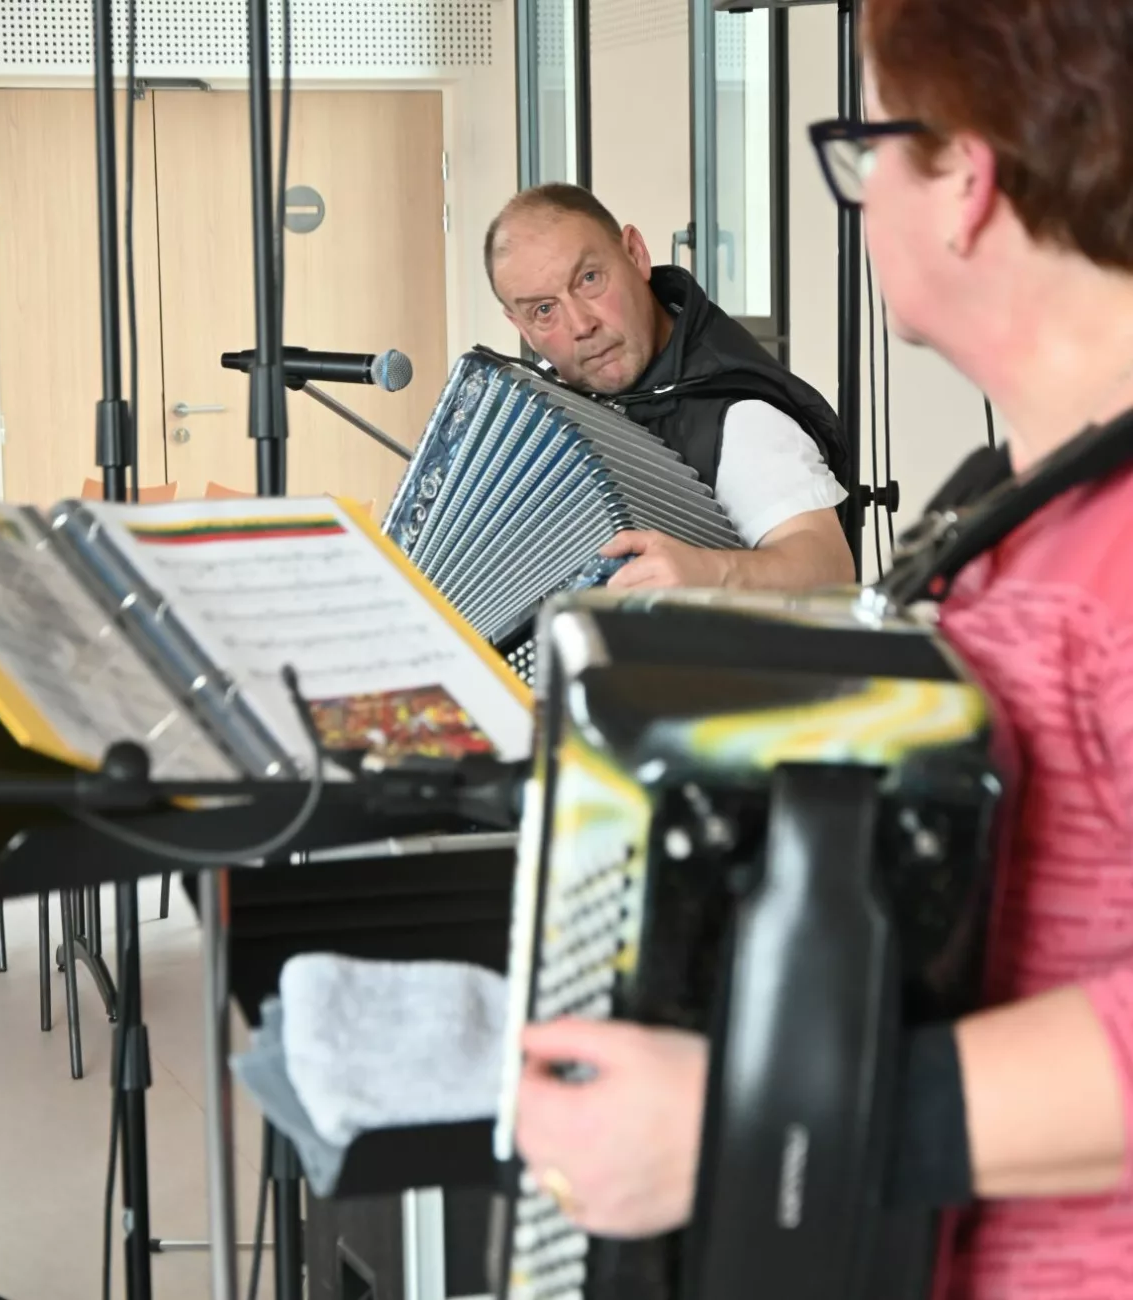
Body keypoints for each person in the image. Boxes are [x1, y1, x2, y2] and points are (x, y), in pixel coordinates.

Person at [512, 2, 1133, 1297]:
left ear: (963, 179)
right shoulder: (1012, 510)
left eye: (866, 151)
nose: (858, 201)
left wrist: (761, 1118)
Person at [484, 185, 855, 591]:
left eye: (589, 279)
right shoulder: (536, 401)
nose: (580, 325)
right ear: (520, 326)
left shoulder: (739, 417)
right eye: (543, 310)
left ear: (636, 254)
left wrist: (711, 574)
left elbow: (830, 568)